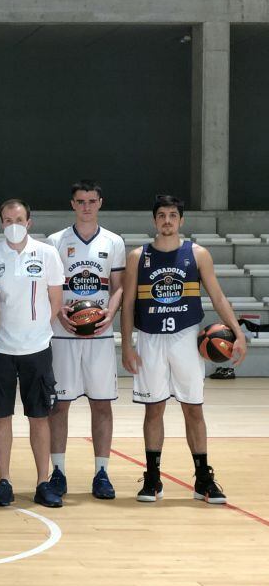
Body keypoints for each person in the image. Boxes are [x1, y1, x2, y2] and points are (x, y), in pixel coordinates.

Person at [120, 195, 246, 504]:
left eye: (172, 215)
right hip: (150, 338)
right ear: (154, 220)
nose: (166, 220)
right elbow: (127, 304)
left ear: (181, 221)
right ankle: (153, 478)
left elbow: (217, 297)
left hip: (187, 338)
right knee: (154, 409)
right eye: (161, 215)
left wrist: (238, 333)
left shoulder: (198, 254)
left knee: (193, 408)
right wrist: (126, 344)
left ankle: (203, 479)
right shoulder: (139, 256)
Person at [47, 180, 126, 500]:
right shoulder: (56, 241)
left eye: (92, 201)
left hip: (100, 334)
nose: (86, 206)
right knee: (60, 405)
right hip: (63, 334)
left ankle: (102, 472)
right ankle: (58, 471)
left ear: (100, 203)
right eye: (81, 201)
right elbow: (50, 286)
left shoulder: (114, 241)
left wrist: (111, 313)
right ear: (72, 204)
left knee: (102, 403)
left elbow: (119, 286)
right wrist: (59, 313)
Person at [0, 199, 65, 508]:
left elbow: (55, 300)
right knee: (1, 416)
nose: (13, 225)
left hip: (37, 349)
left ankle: (42, 482)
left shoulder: (47, 253)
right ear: (1, 223)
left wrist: (35, 332)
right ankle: (4, 481)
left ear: (29, 222)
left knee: (39, 417)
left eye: (18, 219)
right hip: (2, 351)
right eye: (7, 220)